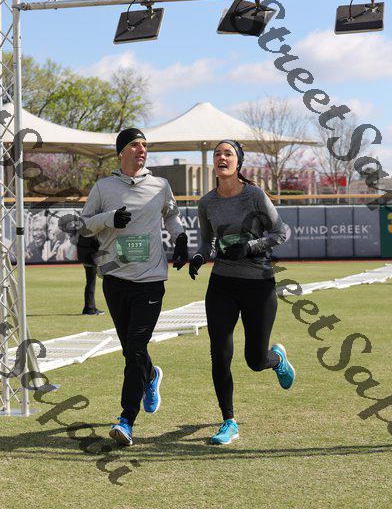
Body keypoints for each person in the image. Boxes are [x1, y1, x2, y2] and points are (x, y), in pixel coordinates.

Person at [80, 127, 188, 446]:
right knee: (131, 350)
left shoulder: (160, 185)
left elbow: (172, 216)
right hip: (115, 279)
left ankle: (126, 419)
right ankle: (151, 375)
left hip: (150, 280)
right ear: (121, 152)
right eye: (135, 145)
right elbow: (84, 224)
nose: (142, 150)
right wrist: (109, 218)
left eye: (144, 145)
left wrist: (180, 238)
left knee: (136, 348)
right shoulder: (103, 187)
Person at [188, 140, 295, 445]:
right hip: (222, 284)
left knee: (255, 360)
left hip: (258, 285)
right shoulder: (207, 203)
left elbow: (282, 232)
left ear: (238, 162)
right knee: (220, 354)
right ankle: (229, 421)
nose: (221, 157)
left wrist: (250, 247)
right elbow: (207, 242)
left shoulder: (255, 195)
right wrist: (199, 257)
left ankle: (276, 359)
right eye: (217, 154)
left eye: (228, 153)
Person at [76, 234, 105, 316]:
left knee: (90, 283)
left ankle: (90, 307)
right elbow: (96, 244)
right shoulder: (91, 233)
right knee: (91, 283)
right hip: (90, 258)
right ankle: (90, 308)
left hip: (85, 258)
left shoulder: (83, 232)